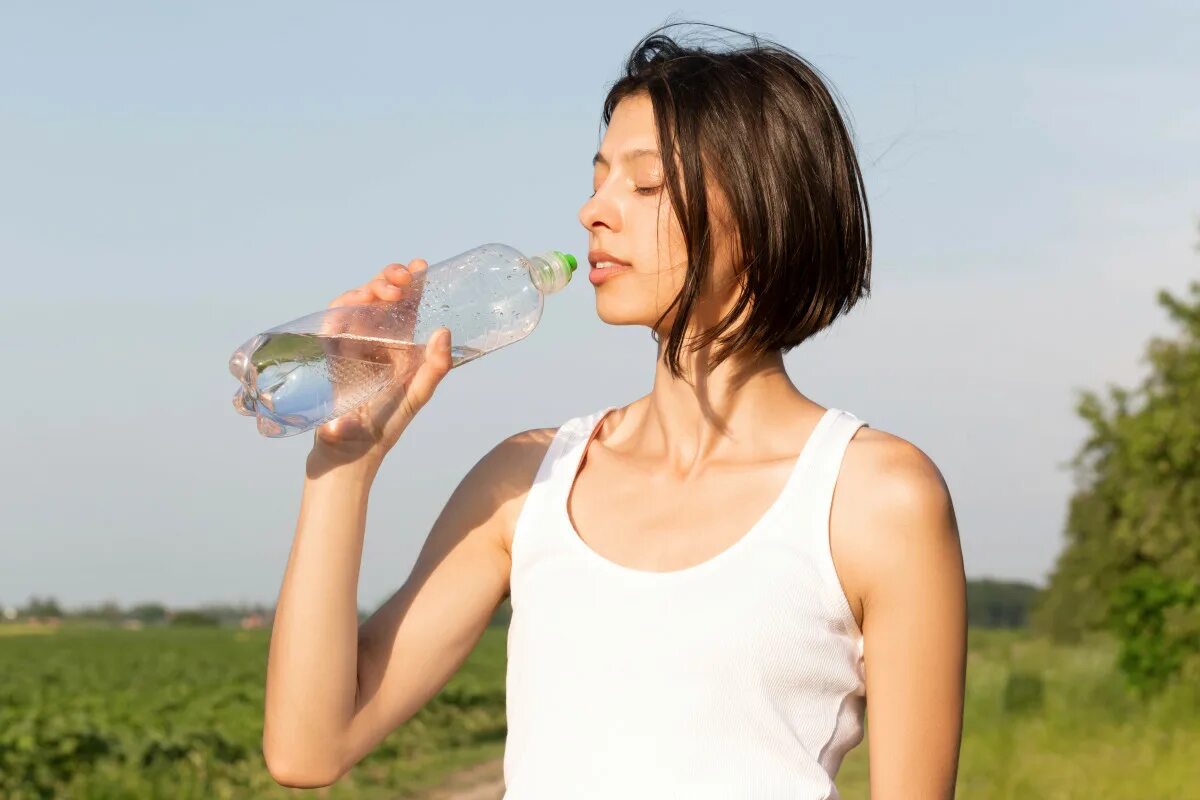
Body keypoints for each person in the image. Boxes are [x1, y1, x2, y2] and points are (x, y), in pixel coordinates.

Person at [263, 22, 967, 800]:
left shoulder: (874, 499)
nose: (593, 210)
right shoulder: (528, 482)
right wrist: (343, 463)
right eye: (598, 178)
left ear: (768, 210)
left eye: (645, 184)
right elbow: (309, 748)